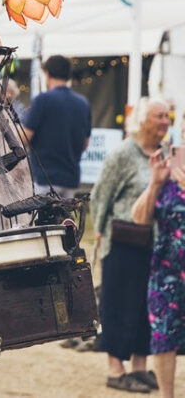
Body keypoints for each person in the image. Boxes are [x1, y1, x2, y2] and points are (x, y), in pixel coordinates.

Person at [92, 97, 169, 393]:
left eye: (167, 116)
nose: (164, 121)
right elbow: (101, 195)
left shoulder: (164, 154)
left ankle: (139, 366)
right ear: (142, 120)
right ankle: (115, 369)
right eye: (158, 116)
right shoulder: (123, 153)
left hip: (155, 242)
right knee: (119, 304)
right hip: (123, 241)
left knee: (146, 306)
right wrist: (100, 231)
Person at [131, 131, 184, 398]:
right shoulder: (167, 178)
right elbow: (139, 218)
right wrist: (154, 183)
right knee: (164, 337)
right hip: (167, 273)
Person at [22, 55, 92, 198]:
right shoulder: (83, 103)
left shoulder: (43, 100)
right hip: (71, 179)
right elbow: (85, 144)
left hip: (45, 178)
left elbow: (25, 138)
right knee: (64, 220)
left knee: (40, 220)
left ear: (47, 73)